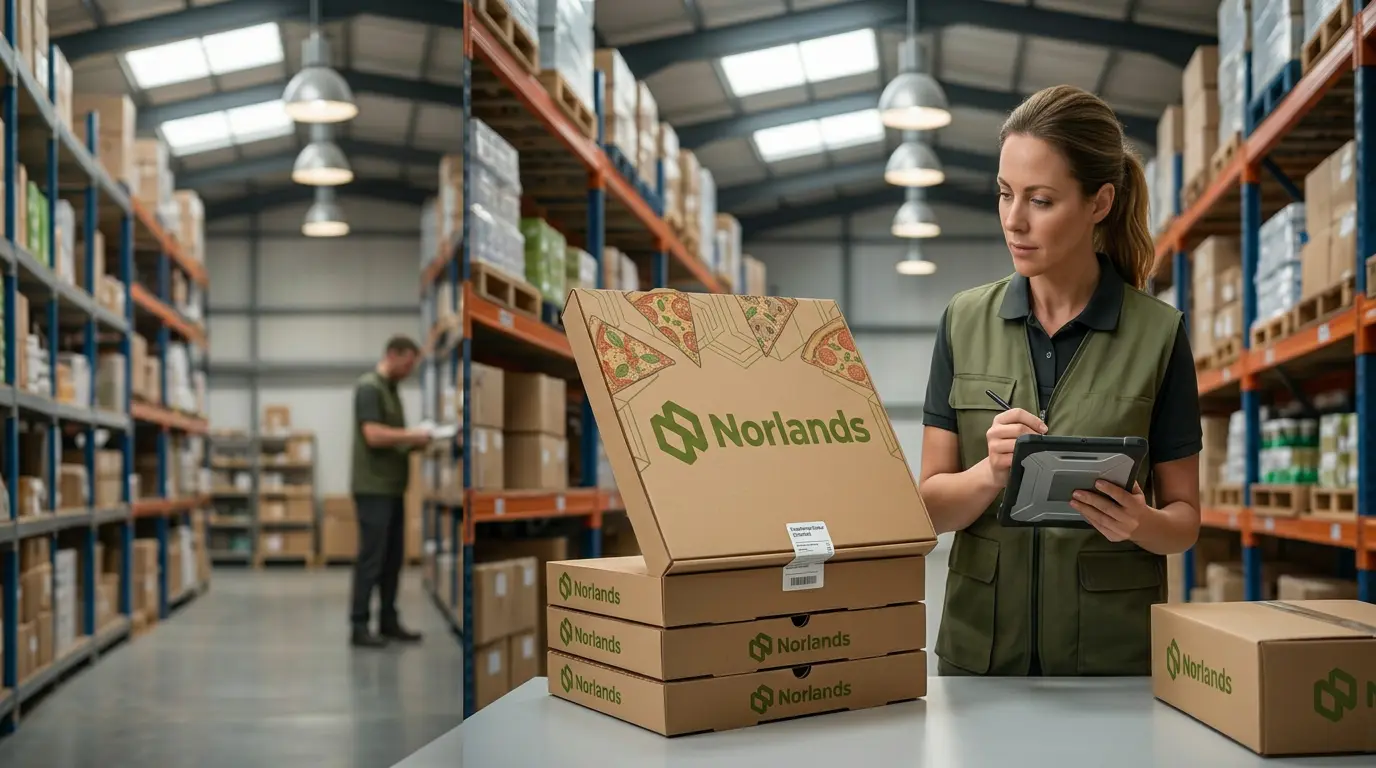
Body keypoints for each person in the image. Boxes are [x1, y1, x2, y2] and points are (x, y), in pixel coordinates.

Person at [918, 85, 1203, 677]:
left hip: (1109, 661)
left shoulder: (1158, 334)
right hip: (982, 657)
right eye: (1004, 194)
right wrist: (987, 474)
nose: (1013, 221)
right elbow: (928, 509)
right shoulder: (963, 321)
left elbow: (1184, 520)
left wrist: (1141, 523)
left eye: (1041, 200)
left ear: (1099, 203)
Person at [349, 335, 435, 648]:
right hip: (373, 488)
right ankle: (359, 626)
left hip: (392, 488)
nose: (410, 370)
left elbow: (393, 440)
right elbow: (372, 435)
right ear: (393, 355)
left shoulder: (392, 390)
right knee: (371, 559)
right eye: (408, 363)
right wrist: (413, 435)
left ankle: (388, 621)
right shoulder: (370, 387)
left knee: (392, 559)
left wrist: (421, 441)